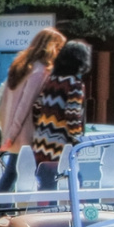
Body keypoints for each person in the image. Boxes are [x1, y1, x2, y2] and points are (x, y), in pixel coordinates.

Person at [0, 27, 66, 192]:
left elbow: (6, 102)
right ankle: (47, 208)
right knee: (48, 176)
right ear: (51, 47)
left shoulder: (20, 66)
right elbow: (25, 104)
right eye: (59, 48)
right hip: (30, 135)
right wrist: (11, 135)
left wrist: (9, 133)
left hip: (17, 133)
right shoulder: (40, 71)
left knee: (11, 174)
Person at [30, 40, 92, 190]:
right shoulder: (75, 84)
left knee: (46, 186)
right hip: (62, 146)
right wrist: (77, 140)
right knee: (75, 184)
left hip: (41, 143)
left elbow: (36, 108)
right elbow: (72, 115)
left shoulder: (50, 80)